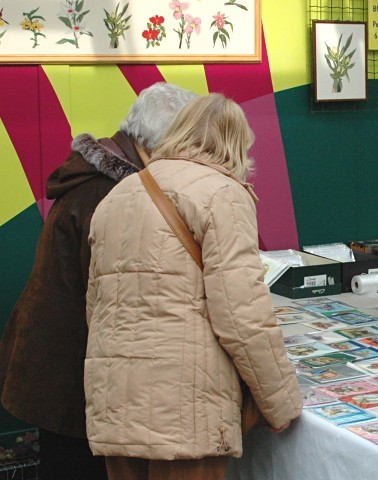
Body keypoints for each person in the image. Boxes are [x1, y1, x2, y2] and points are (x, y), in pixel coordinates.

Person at [84, 93, 302, 480]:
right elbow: (242, 316)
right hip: (185, 409)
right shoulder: (223, 194)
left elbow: (95, 306)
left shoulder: (118, 195)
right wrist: (279, 403)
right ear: (236, 144)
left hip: (115, 403)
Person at [0, 82, 198, 480]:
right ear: (162, 142)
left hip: (57, 366)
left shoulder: (97, 179)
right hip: (75, 376)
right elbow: (123, 303)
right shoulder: (113, 195)